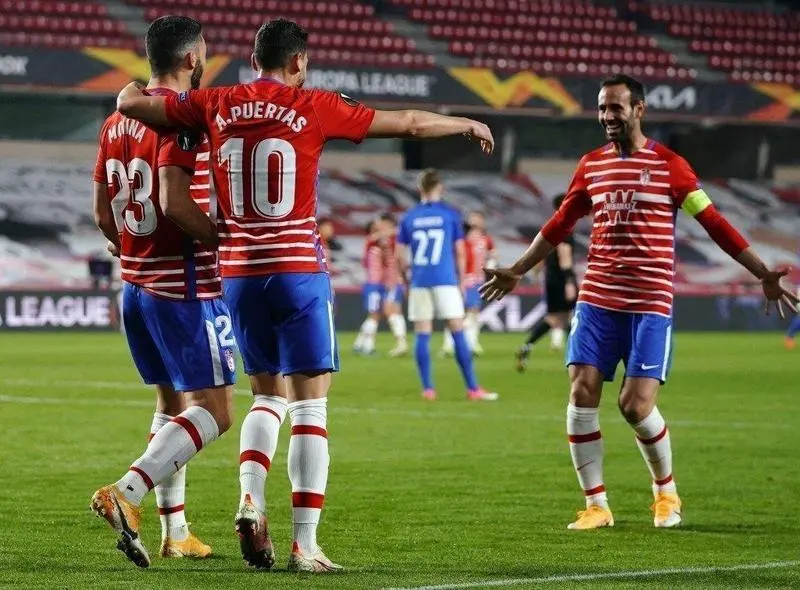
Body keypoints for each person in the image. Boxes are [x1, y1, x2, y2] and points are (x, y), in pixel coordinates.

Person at [116, 18, 494, 572]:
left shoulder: (214, 101)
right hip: (296, 269)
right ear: (297, 63)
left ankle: (249, 497)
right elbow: (409, 123)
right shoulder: (314, 104)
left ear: (253, 59)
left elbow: (136, 106)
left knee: (264, 396)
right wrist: (464, 121)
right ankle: (304, 545)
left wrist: (129, 88)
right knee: (310, 406)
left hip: (238, 274)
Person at [481, 73, 796, 530]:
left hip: (650, 303)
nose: (608, 116)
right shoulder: (590, 166)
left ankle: (665, 493)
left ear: (638, 109)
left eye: (616, 107)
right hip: (597, 298)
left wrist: (762, 272)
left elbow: (714, 224)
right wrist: (518, 269)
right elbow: (558, 224)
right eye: (603, 108)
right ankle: (596, 506)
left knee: (635, 405)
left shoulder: (672, 167)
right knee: (581, 390)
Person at [89, 16, 235, 568]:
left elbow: (104, 213)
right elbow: (179, 205)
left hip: (136, 289)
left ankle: (177, 531)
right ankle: (126, 492)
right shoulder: (184, 123)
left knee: (170, 406)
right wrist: (229, 243)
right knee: (216, 413)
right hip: (186, 286)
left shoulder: (114, 123)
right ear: (193, 59)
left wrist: (127, 246)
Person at [397, 169, 498, 402]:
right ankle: (473, 388)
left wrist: (406, 280)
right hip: (446, 279)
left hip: (420, 281)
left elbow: (400, 255)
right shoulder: (450, 215)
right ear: (440, 188)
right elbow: (460, 251)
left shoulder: (409, 217)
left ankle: (428, 389)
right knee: (457, 330)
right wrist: (462, 280)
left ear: (420, 189)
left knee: (422, 333)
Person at [516, 193, 577, 371]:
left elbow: (540, 253)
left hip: (550, 277)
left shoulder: (552, 226)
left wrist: (536, 275)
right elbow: (564, 255)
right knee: (570, 315)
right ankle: (575, 357)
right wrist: (569, 281)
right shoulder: (566, 226)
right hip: (561, 278)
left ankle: (527, 346)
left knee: (557, 318)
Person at [442, 210, 496, 356]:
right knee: (458, 313)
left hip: (477, 281)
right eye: (473, 219)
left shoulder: (486, 240)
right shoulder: (461, 239)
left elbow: (492, 255)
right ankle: (452, 344)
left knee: (472, 312)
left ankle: (470, 343)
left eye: (477, 218)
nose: (475, 221)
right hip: (461, 280)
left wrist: (490, 268)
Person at [353, 219, 385, 355]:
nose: (380, 229)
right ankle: (368, 346)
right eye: (376, 227)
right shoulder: (370, 242)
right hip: (373, 284)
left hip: (377, 284)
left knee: (374, 315)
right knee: (374, 315)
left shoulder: (375, 246)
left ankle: (359, 343)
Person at [380, 212, 409, 357]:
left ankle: (401, 343)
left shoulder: (395, 236)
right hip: (391, 278)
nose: (380, 226)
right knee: (395, 311)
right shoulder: (386, 238)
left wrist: (400, 278)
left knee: (389, 310)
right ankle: (401, 343)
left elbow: (399, 257)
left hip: (394, 279)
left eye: (383, 224)